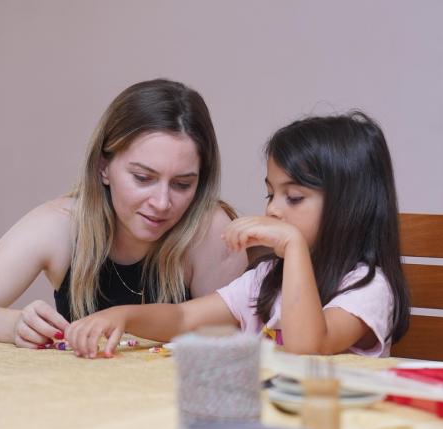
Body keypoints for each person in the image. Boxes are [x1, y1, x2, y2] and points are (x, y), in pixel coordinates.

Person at [0, 79, 248, 347]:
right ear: (104, 167)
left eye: (182, 184)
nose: (162, 202)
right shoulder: (61, 225)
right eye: (143, 178)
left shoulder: (212, 231)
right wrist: (15, 325)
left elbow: (231, 350)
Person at [65, 111, 410, 358]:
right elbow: (185, 318)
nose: (274, 209)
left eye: (293, 197)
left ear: (349, 205)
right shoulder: (267, 279)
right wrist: (123, 315)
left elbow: (308, 346)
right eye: (270, 194)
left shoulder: (368, 287)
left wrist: (292, 246)